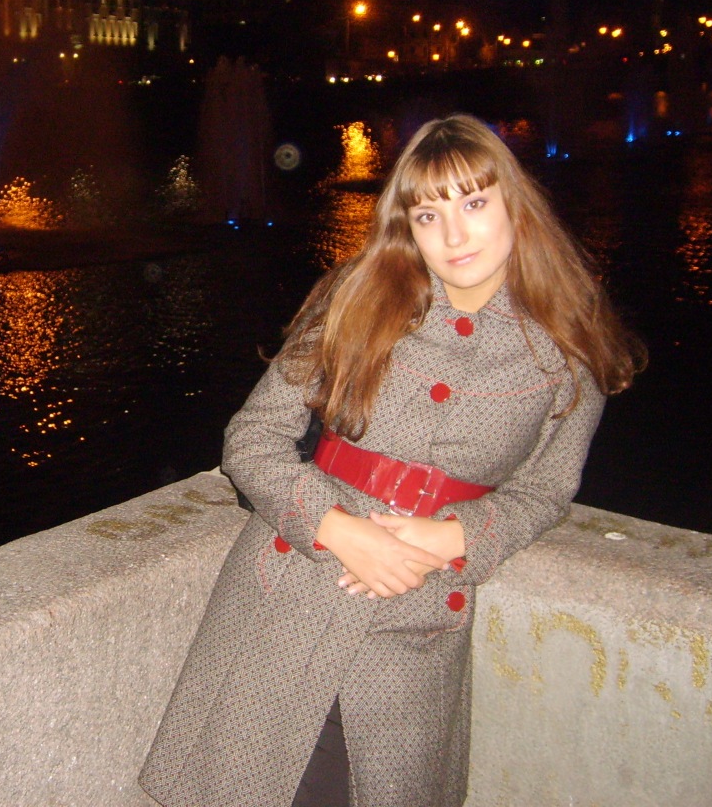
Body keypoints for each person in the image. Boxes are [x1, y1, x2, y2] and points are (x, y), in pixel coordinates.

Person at [139, 113, 645, 807]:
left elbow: (547, 490)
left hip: (418, 616)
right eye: (429, 215)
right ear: (407, 225)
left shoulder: (567, 347)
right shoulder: (357, 297)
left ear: (514, 205)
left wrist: (458, 536)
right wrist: (337, 528)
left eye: (474, 203)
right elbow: (252, 438)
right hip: (287, 596)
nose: (454, 235)